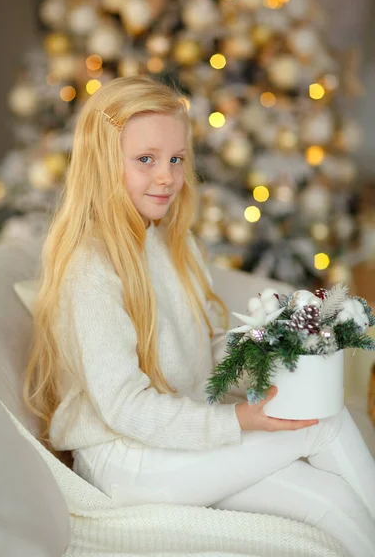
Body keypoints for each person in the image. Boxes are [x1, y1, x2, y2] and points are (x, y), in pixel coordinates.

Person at [24, 75, 375, 557]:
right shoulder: (91, 265)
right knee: (325, 425)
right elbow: (125, 407)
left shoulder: (170, 241)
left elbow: (200, 352)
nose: (166, 175)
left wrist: (264, 346)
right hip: (127, 459)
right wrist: (236, 421)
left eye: (176, 159)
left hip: (176, 439)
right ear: (104, 162)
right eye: (145, 159)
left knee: (332, 498)